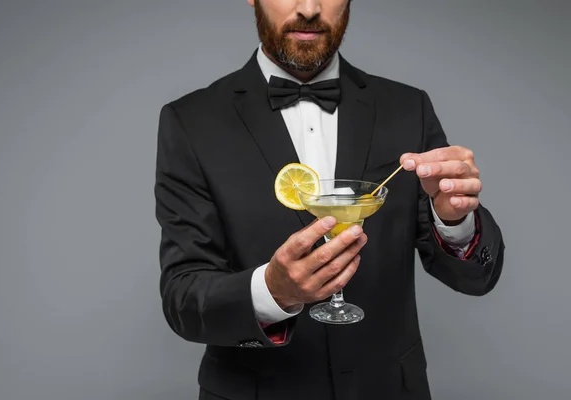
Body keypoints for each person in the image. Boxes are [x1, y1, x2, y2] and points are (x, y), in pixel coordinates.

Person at [154, 1, 505, 399]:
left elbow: (476, 279)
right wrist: (273, 291)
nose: (309, 8)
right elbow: (183, 298)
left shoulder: (409, 108)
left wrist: (455, 221)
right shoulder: (191, 121)